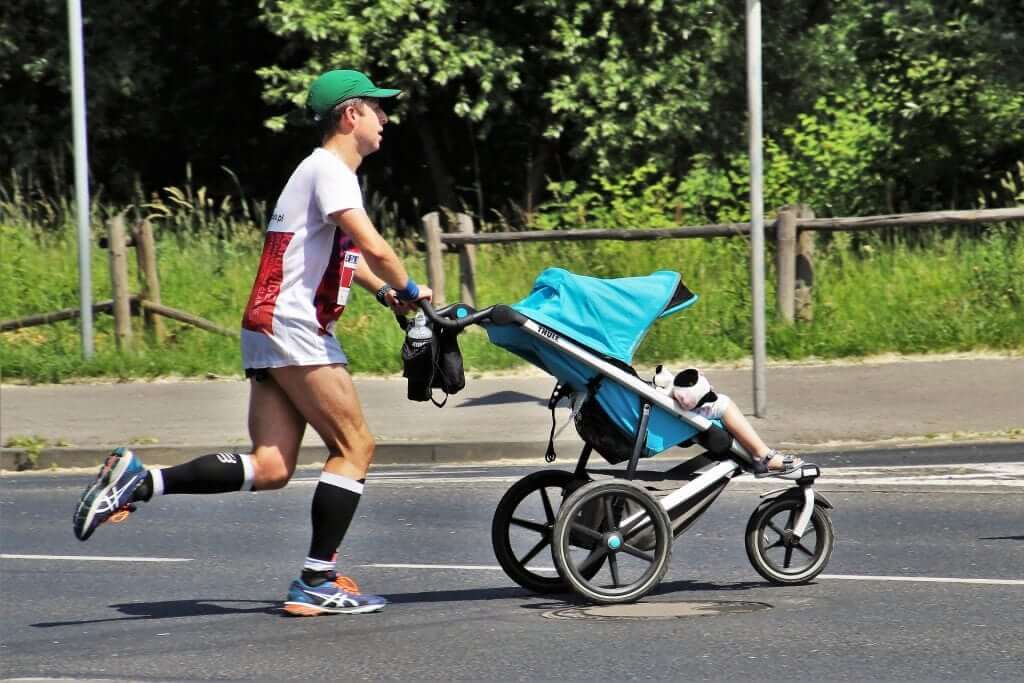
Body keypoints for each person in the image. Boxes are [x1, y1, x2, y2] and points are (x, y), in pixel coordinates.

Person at [72, 69, 431, 617]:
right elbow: (373, 245)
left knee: (270, 467)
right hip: (294, 327)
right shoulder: (331, 170)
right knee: (355, 446)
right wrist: (410, 289)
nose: (385, 119)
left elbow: (337, 257)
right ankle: (317, 579)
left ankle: (142, 482)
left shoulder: (314, 173)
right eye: (377, 109)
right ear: (349, 114)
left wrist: (386, 296)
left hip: (267, 324)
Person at [667, 367, 803, 477]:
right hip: (668, 415)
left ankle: (751, 455)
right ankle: (762, 455)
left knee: (719, 405)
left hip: (661, 410)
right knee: (722, 404)